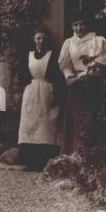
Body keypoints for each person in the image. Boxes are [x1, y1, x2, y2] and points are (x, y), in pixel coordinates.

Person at [58, 13, 106, 155]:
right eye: (75, 25)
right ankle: (72, 154)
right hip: (75, 84)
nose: (79, 28)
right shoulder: (69, 43)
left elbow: (99, 62)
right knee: (74, 119)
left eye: (82, 24)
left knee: (90, 118)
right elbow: (65, 64)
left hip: (91, 82)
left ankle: (89, 154)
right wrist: (70, 77)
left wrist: (85, 75)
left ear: (87, 25)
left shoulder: (96, 40)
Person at [17, 26, 65, 171]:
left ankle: (45, 162)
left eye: (43, 38)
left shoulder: (51, 55)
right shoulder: (29, 55)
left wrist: (56, 95)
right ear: (34, 39)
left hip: (47, 91)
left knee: (46, 127)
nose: (41, 41)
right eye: (38, 38)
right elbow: (23, 74)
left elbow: (58, 76)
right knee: (29, 125)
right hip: (31, 93)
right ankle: (29, 161)